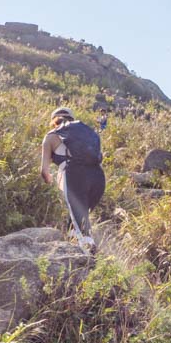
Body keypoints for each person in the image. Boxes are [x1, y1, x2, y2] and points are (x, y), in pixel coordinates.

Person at [40, 106, 106, 250]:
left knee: (83, 230)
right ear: (72, 120)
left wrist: (51, 183)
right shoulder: (87, 133)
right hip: (98, 178)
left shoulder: (51, 136)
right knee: (79, 216)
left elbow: (44, 171)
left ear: (53, 121)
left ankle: (89, 256)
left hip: (73, 176)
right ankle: (72, 238)